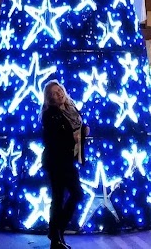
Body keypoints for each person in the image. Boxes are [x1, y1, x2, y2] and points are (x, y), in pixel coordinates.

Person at [41, 80, 87, 249]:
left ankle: (55, 235)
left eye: (59, 90)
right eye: (54, 93)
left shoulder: (71, 108)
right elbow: (52, 139)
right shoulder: (50, 113)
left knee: (62, 197)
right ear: (50, 98)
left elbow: (79, 126)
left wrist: (83, 131)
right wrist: (73, 137)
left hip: (69, 159)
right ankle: (56, 233)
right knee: (70, 195)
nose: (58, 94)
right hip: (56, 161)